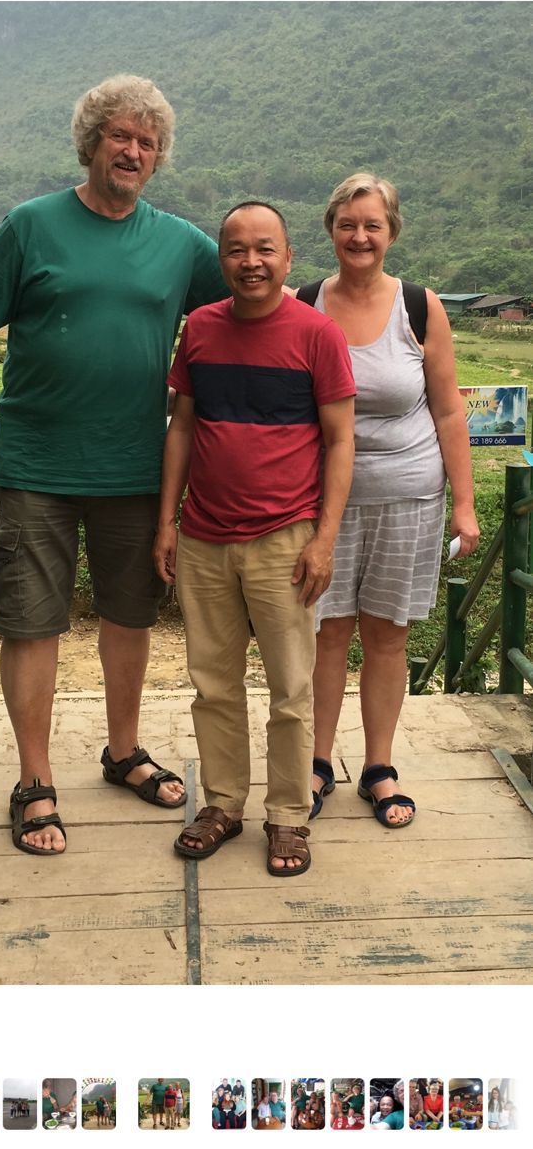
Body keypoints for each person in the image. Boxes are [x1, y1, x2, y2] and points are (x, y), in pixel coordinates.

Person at [0, 75, 228, 857]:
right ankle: (35, 780)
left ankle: (122, 752)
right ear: (90, 142)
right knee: (31, 619)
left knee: (129, 615)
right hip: (36, 463)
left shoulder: (181, 244)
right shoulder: (30, 225)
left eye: (147, 142)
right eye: (120, 135)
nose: (133, 151)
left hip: (134, 466)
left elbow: (254, 305)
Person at [154, 201, 355, 875]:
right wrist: (168, 521)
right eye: (237, 250)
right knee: (213, 683)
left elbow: (339, 440)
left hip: (284, 540)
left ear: (288, 258)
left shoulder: (317, 334)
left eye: (264, 248)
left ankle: (289, 817)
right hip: (206, 538)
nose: (251, 262)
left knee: (291, 688)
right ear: (223, 261)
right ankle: (223, 804)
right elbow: (182, 426)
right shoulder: (201, 330)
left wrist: (323, 539)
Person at [298, 174, 479, 828]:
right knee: (324, 634)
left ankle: (378, 767)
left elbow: (449, 411)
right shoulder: (305, 301)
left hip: (409, 497)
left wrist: (465, 505)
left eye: (372, 225)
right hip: (324, 505)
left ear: (391, 232)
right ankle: (315, 763)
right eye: (348, 224)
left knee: (387, 636)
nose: (360, 236)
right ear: (331, 229)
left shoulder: (418, 306)